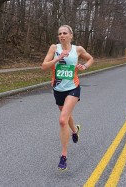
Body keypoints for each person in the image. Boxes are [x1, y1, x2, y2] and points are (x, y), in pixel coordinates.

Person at [41, 25, 94, 170]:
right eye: (59, 33)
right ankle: (75, 130)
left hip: (73, 88)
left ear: (71, 35)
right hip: (58, 88)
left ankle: (63, 156)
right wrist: (58, 58)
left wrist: (85, 66)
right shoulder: (54, 48)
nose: (62, 35)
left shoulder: (78, 49)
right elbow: (44, 66)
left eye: (65, 33)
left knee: (62, 119)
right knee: (67, 116)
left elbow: (90, 59)